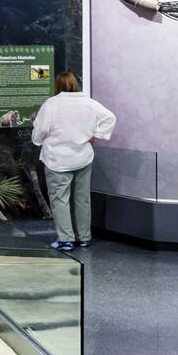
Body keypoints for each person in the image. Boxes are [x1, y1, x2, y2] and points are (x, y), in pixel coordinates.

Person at [31, 71, 115, 251]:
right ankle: (84, 238)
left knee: (60, 200)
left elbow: (41, 131)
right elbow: (110, 118)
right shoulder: (89, 103)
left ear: (57, 86)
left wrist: (38, 140)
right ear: (75, 84)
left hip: (57, 160)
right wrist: (97, 135)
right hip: (83, 158)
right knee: (82, 199)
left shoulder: (51, 104)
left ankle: (66, 240)